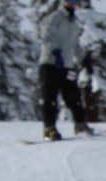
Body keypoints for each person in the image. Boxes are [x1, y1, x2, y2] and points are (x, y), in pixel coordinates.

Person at [38, 0, 94, 140]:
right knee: (50, 97)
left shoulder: (73, 23)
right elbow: (47, 36)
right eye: (69, 2)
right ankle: (49, 128)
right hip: (50, 64)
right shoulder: (54, 18)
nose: (72, 5)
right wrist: (55, 51)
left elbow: (74, 44)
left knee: (73, 96)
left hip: (66, 66)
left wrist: (83, 59)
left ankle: (80, 125)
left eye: (75, 2)